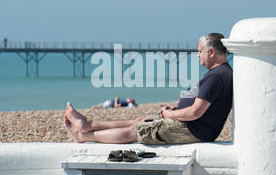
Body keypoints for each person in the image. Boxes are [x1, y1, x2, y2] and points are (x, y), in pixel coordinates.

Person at [63, 33, 233, 144]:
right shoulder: (220, 73)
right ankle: (88, 124)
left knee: (136, 131)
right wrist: (175, 109)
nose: (198, 55)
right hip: (191, 125)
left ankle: (83, 136)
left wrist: (170, 114)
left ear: (211, 52)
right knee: (140, 120)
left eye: (200, 52)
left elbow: (195, 113)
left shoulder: (216, 76)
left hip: (192, 130)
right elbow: (200, 108)